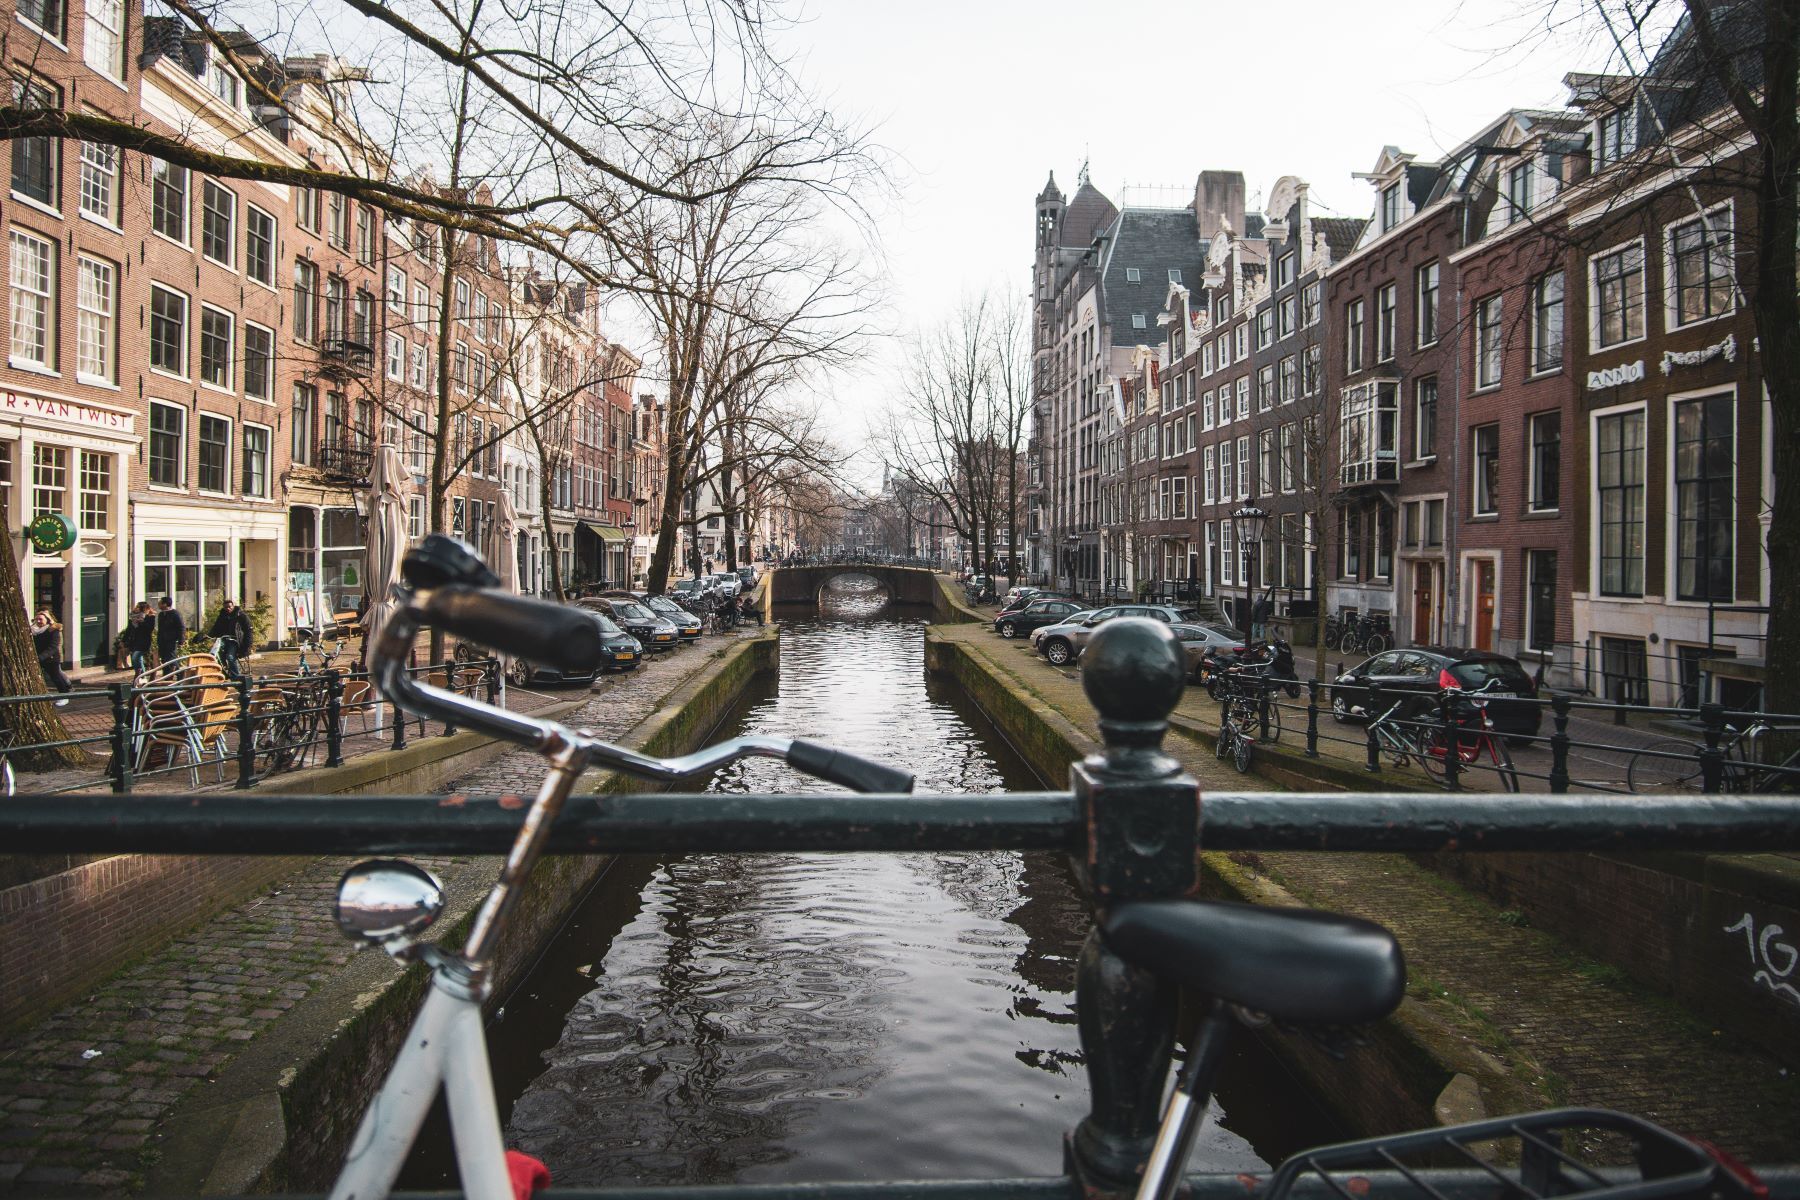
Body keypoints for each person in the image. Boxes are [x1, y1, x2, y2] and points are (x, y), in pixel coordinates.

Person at [31, 611, 72, 705]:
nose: (38, 621)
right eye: (37, 619)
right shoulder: (34, 630)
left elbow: (53, 647)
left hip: (51, 658)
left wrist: (40, 657)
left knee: (56, 677)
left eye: (41, 619)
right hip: (38, 658)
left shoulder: (53, 630)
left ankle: (64, 696)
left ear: (47, 620)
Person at [208, 599, 254, 678]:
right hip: (223, 639)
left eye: (229, 607)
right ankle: (223, 673)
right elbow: (215, 628)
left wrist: (246, 646)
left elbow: (248, 631)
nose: (228, 609)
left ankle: (235, 676)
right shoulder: (222, 616)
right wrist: (208, 636)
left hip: (235, 640)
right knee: (215, 654)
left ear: (233, 606)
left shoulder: (241, 616)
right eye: (226, 607)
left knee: (230, 657)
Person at [124, 602, 155, 676]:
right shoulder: (132, 617)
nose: (136, 608)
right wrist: (123, 640)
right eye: (136, 606)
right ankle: (141, 676)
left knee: (135, 657)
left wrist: (141, 622)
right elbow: (129, 630)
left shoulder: (150, 617)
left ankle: (141, 675)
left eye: (138, 607)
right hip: (134, 641)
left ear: (144, 609)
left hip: (144, 641)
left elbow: (149, 629)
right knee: (137, 659)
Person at [155, 596, 186, 664]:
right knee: (164, 658)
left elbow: (181, 627)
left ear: (165, 604)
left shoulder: (175, 614)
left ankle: (172, 673)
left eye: (160, 603)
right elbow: (160, 628)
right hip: (162, 640)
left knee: (170, 658)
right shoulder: (161, 614)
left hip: (172, 640)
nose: (158, 605)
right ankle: (176, 673)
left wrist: (181, 639)